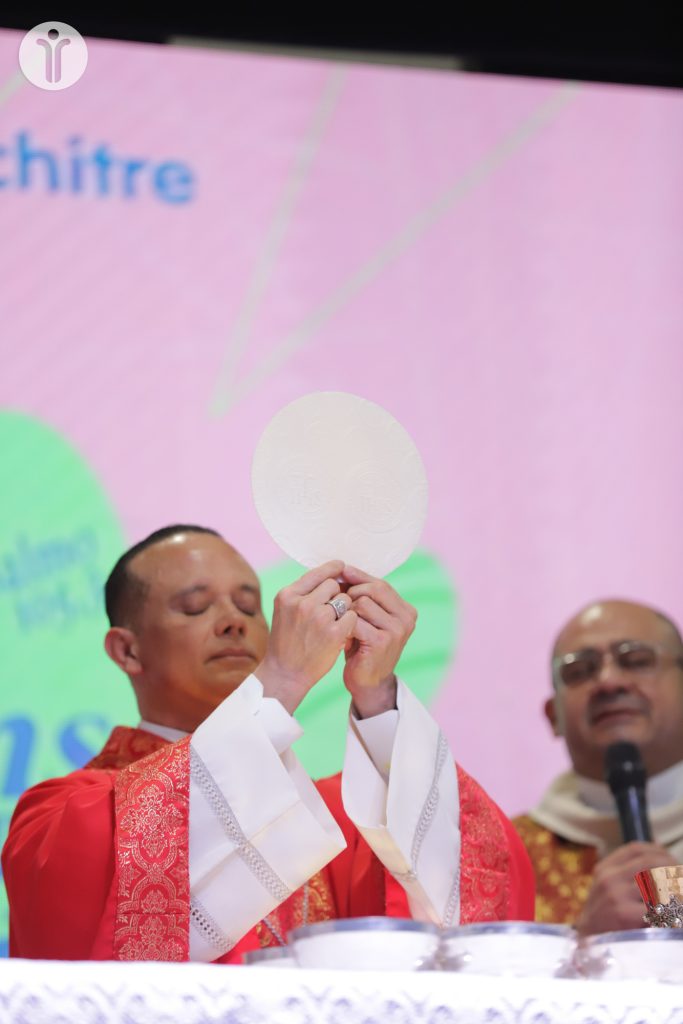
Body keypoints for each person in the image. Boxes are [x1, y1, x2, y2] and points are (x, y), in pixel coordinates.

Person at [3, 525, 534, 962]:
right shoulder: (60, 817)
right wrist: (280, 681)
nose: (233, 622)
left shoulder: (335, 821)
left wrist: (377, 696)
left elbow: (475, 889)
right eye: (195, 607)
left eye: (248, 605)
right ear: (127, 650)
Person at [514, 598, 683, 934]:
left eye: (636, 660)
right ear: (553, 716)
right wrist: (582, 941)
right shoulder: (507, 853)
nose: (608, 681)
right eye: (580, 671)